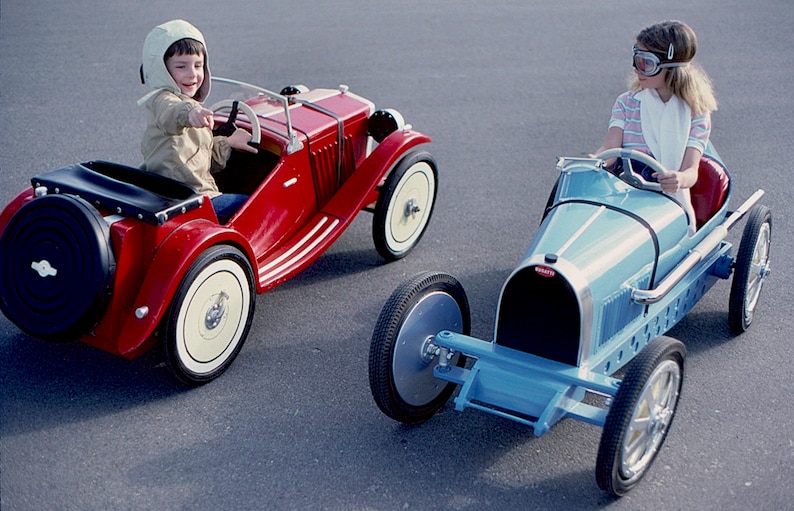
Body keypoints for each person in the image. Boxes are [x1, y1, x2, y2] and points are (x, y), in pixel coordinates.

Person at [593, 20, 718, 234]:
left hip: (664, 197)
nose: (636, 68)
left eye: (645, 63)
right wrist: (593, 160)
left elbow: (691, 172)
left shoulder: (695, 112)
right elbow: (609, 150)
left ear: (671, 69)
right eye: (636, 60)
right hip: (625, 190)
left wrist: (679, 180)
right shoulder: (627, 102)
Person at [138, 19, 257, 222]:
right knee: (252, 204)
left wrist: (228, 143)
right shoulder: (161, 100)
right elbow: (172, 112)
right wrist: (191, 111)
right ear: (161, 70)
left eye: (198, 65)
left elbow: (198, 155)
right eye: (181, 66)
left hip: (185, 191)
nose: (192, 73)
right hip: (185, 198)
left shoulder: (191, 108)